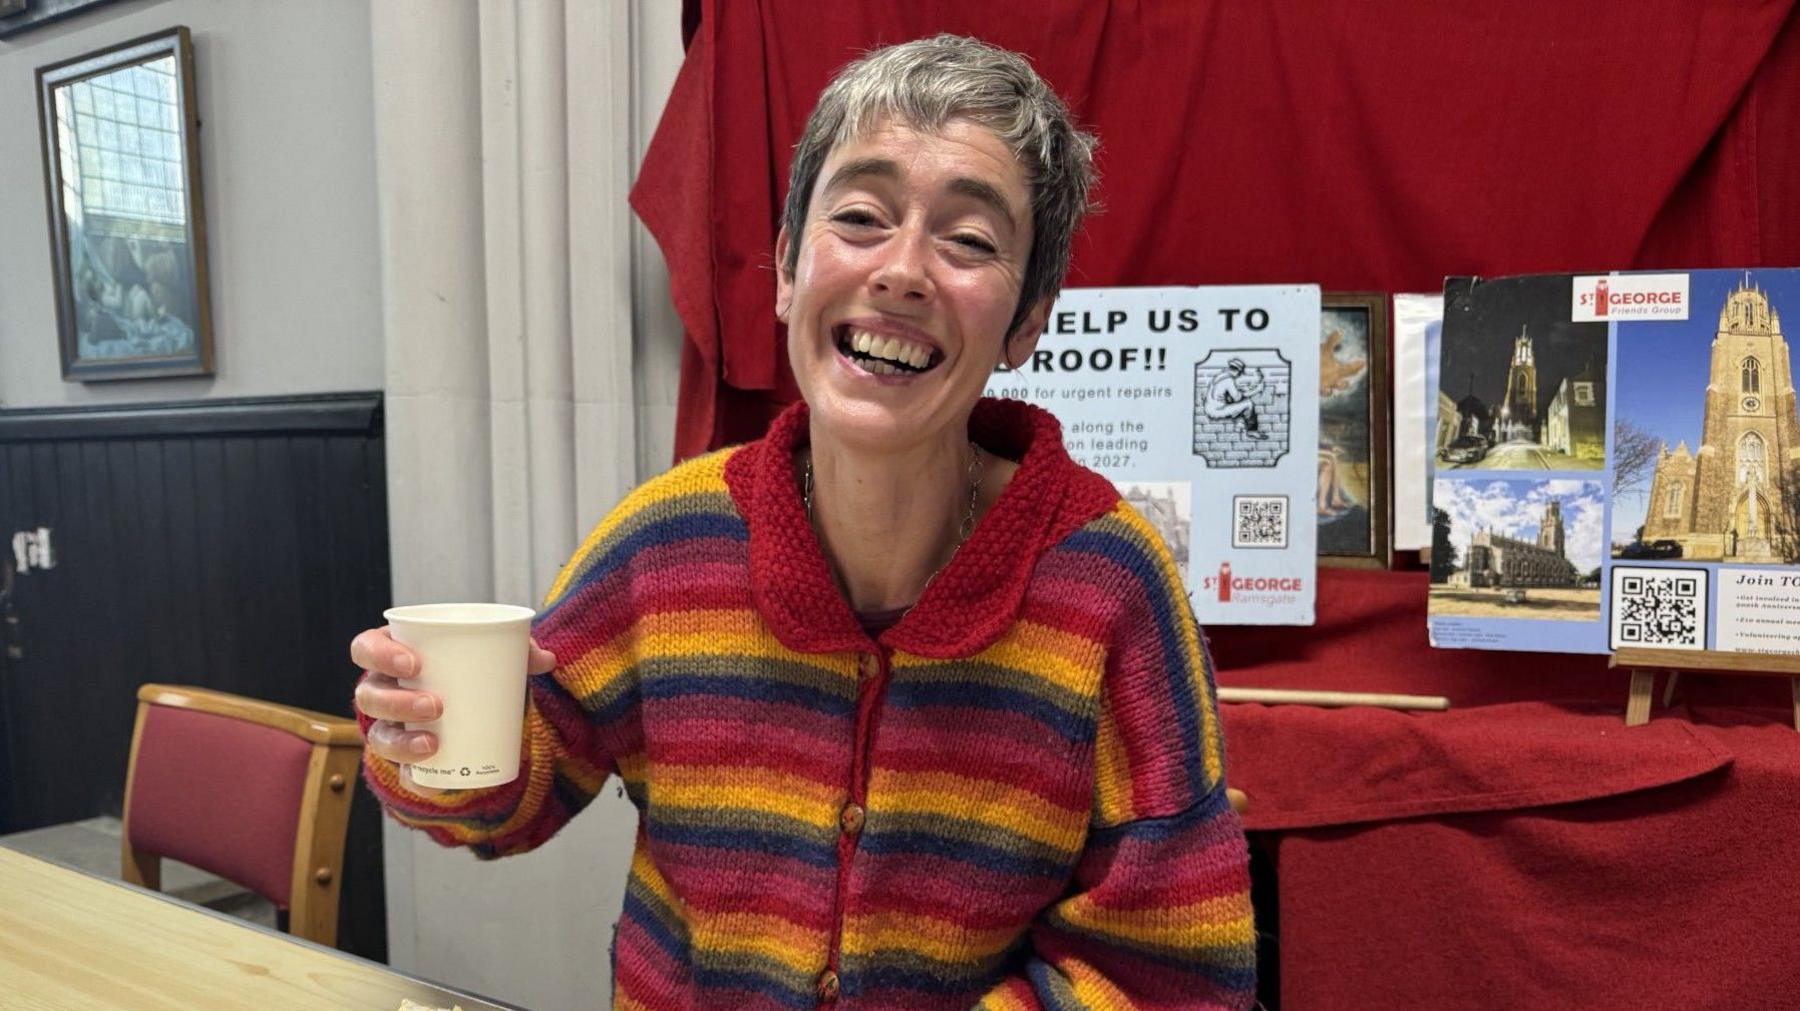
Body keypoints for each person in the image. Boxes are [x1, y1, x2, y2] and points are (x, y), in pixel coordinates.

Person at [352, 34, 1254, 1010]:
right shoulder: (668, 541)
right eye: (861, 216)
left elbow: (1171, 970)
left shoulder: (1110, 581)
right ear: (786, 267)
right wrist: (426, 743)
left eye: (970, 241)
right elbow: (510, 798)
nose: (903, 271)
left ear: (1029, 320)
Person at [1204, 357, 1266, 440]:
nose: (1239, 375)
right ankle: (1252, 431)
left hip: (1209, 409)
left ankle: (1240, 424)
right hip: (1217, 411)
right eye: (1240, 373)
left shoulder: (1219, 376)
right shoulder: (1229, 380)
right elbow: (1238, 398)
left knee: (1235, 403)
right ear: (1237, 371)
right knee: (1248, 404)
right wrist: (1256, 390)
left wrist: (1243, 390)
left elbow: (1227, 394)